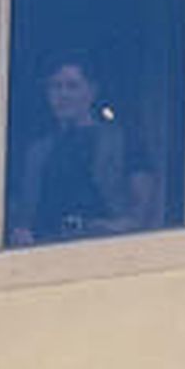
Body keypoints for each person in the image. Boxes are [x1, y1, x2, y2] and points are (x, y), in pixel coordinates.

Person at [11, 52, 146, 245]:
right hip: (45, 251)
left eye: (72, 86)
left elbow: (140, 214)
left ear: (92, 91)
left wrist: (109, 227)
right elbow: (22, 212)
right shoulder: (37, 152)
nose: (63, 95)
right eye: (55, 87)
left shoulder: (122, 140)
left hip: (106, 248)